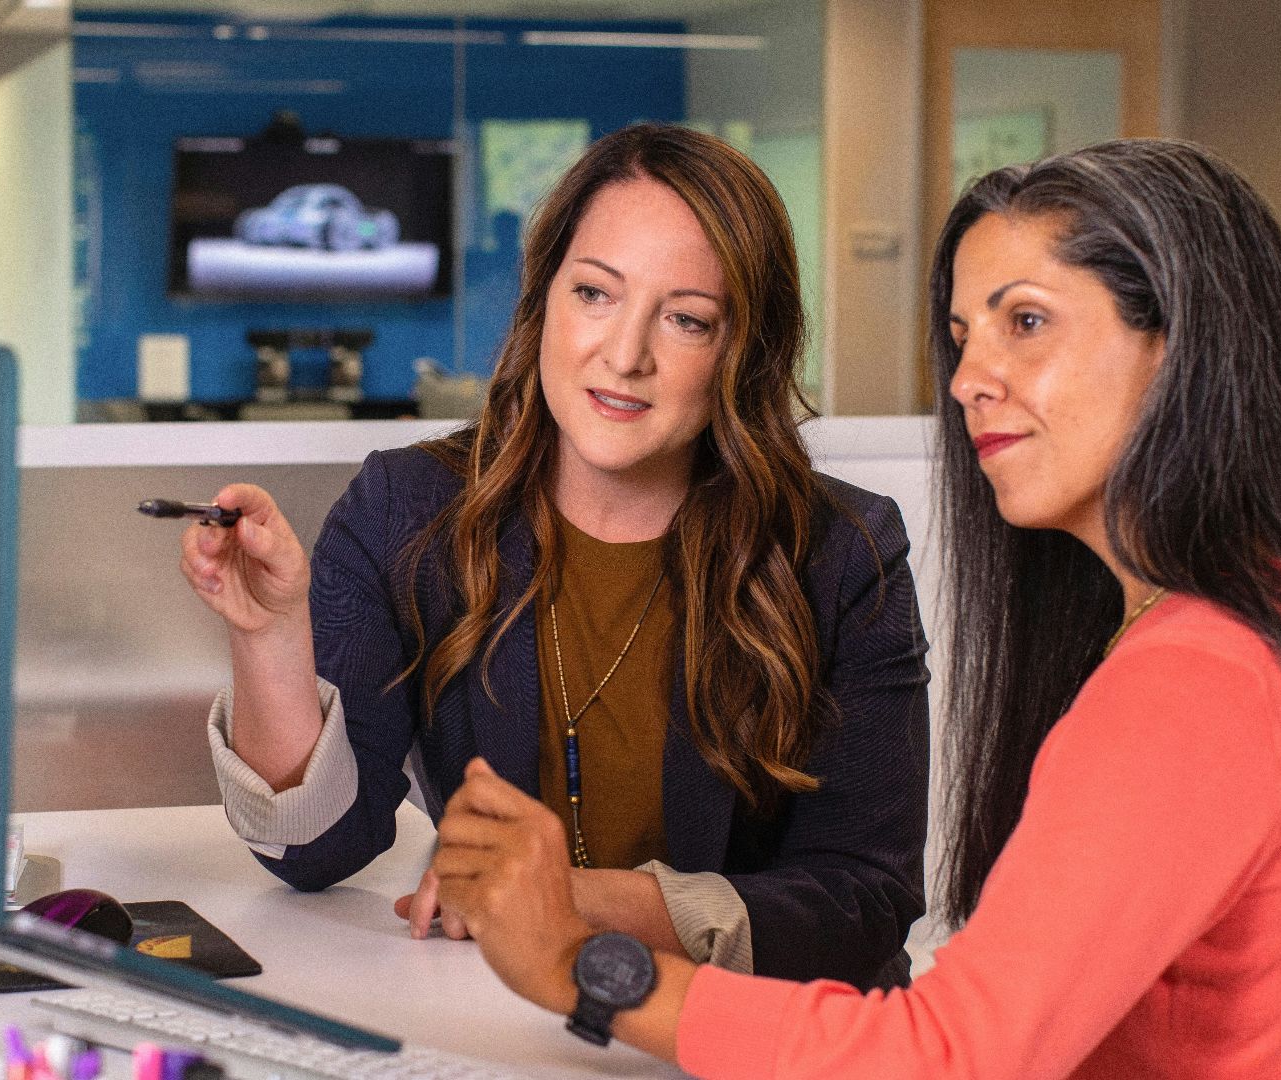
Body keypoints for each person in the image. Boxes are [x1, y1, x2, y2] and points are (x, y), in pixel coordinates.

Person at [428, 137, 1281, 1077]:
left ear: (1181, 346)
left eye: (1027, 323)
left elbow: (953, 1057)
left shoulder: (1198, 679)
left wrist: (582, 969)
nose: (971, 377)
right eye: (964, 335)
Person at [178, 123, 932, 990]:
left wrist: (573, 900)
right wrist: (272, 635)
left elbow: (864, 901)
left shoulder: (841, 552)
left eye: (686, 319)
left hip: (744, 1039)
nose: (624, 355)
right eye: (595, 295)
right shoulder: (408, 511)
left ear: (740, 352)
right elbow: (315, 850)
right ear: (544, 302)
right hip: (502, 1025)